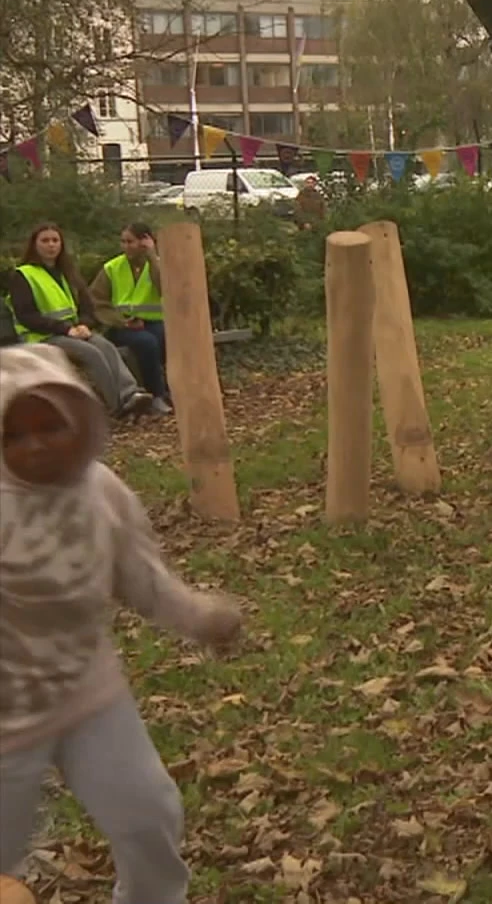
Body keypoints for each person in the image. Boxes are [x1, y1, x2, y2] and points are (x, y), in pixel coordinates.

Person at [0, 344, 246, 903]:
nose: (34, 444)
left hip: (87, 694)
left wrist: (203, 619)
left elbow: (142, 580)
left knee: (147, 815)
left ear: (81, 420)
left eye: (49, 426)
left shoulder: (102, 492)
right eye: (13, 435)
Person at [5, 225, 152, 419]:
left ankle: (131, 393)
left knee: (106, 346)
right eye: (45, 240)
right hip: (42, 336)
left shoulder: (67, 273)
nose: (51, 245)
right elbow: (27, 316)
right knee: (91, 353)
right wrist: (66, 329)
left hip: (73, 332)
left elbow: (87, 306)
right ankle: (119, 405)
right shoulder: (23, 275)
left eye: (55, 240)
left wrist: (84, 324)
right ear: (35, 245)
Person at [89, 223, 171, 414]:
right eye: (123, 242)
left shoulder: (158, 264)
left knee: (167, 338)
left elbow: (166, 288)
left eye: (131, 242)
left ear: (145, 242)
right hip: (121, 325)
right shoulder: (112, 267)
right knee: (147, 343)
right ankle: (156, 395)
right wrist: (121, 321)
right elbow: (96, 301)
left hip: (154, 322)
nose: (126, 246)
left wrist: (152, 256)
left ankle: (170, 390)